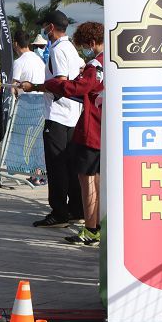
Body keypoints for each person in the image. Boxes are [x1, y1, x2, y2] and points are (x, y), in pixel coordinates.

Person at [26, 22, 104, 245]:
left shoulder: (95, 66)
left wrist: (49, 84)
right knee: (93, 178)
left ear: (90, 42)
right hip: (102, 128)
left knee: (87, 179)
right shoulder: (112, 62)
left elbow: (75, 88)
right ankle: (93, 223)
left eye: (85, 46)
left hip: (91, 128)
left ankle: (91, 229)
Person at [34, 10, 83, 228]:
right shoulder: (70, 48)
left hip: (58, 114)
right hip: (72, 115)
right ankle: (75, 209)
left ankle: (59, 211)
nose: (44, 31)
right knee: (70, 165)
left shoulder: (58, 50)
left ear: (51, 27)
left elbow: (61, 82)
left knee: (57, 166)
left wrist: (33, 86)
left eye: (45, 27)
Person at [11, 30, 46, 95]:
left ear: (15, 44)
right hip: (41, 100)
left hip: (26, 101)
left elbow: (13, 87)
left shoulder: (18, 62)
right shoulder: (39, 59)